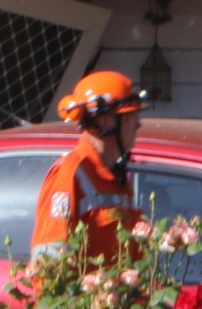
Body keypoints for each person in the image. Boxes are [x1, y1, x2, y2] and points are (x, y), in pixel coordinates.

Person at [31, 70, 149, 262]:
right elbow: (49, 264)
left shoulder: (114, 177)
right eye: (131, 116)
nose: (138, 125)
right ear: (106, 121)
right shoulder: (69, 176)